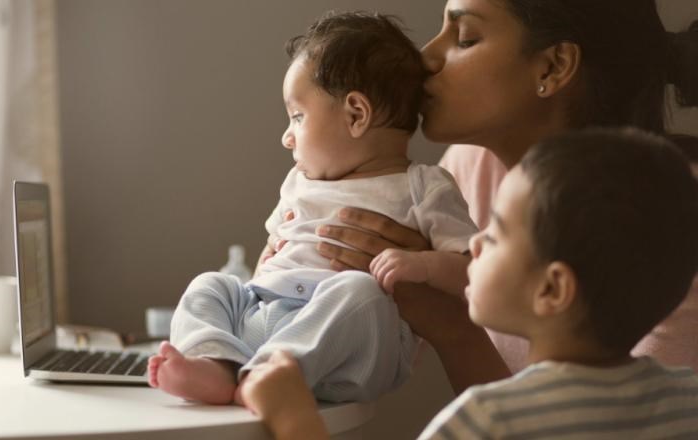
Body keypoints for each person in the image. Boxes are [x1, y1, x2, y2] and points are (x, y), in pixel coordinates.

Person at [257, 0, 698, 391]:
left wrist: (448, 321)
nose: (426, 57)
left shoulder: (671, 224)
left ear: (552, 66)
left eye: (465, 37)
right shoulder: (466, 169)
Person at [241, 128, 698, 439]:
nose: (474, 243)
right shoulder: (686, 400)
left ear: (552, 290)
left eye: (495, 233)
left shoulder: (487, 420)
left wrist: (294, 417)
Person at [147, 11, 478, 405]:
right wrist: (261, 273)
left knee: (360, 291)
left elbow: (473, 271)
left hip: (347, 346)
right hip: (266, 319)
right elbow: (271, 254)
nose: (287, 137)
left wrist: (422, 266)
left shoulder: (424, 186)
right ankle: (217, 364)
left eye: (298, 117)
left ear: (356, 114)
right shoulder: (298, 182)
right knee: (210, 285)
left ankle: (267, 376)